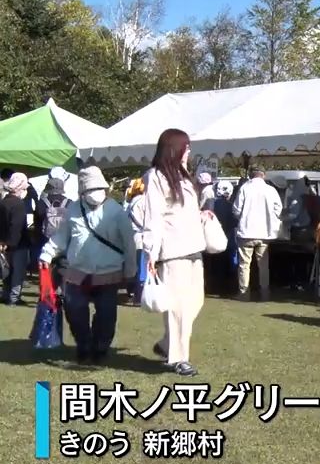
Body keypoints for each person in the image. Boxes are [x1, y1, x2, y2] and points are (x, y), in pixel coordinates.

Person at [39, 167, 136, 364]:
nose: (95, 193)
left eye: (98, 188)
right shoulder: (73, 209)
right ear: (82, 191)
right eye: (90, 189)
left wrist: (130, 270)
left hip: (109, 272)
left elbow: (129, 243)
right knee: (74, 309)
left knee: (106, 313)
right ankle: (83, 344)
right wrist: (47, 253)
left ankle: (100, 347)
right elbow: (61, 237)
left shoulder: (116, 212)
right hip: (77, 271)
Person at [141, 128, 212, 377]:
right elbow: (153, 217)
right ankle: (179, 358)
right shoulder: (156, 177)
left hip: (194, 248)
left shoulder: (183, 177)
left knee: (196, 303)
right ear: (175, 148)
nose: (189, 151)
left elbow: (185, 211)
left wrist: (202, 215)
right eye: (186, 146)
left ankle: (166, 344)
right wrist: (151, 252)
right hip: (173, 252)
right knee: (179, 308)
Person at [232, 166, 283, 302]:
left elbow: (236, 210)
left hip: (246, 232)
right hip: (265, 233)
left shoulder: (244, 188)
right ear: (263, 175)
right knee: (263, 265)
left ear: (250, 175)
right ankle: (265, 292)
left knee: (244, 265)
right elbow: (278, 209)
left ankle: (244, 293)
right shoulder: (270, 190)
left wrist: (242, 218)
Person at [0, 172, 32, 305]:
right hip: (18, 244)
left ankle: (6, 294)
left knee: (7, 272)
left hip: (4, 243)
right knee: (17, 273)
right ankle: (14, 298)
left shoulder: (4, 202)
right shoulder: (18, 204)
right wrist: (11, 243)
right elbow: (16, 226)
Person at [124, 178, 147, 303]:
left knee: (135, 266)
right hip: (140, 236)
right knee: (142, 267)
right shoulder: (142, 201)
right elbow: (145, 221)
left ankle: (133, 292)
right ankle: (140, 296)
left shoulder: (132, 201)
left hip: (133, 235)